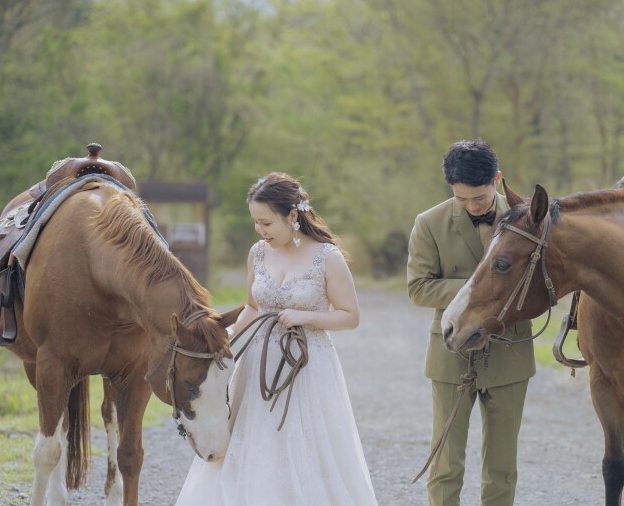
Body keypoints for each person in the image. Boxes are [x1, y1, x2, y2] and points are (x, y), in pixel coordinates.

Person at [176, 172, 378, 506]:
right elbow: (253, 308)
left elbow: (350, 316)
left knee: (305, 446)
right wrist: (224, 342)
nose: (260, 231)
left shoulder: (328, 257)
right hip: (257, 364)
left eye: (266, 223)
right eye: (256, 222)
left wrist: (307, 316)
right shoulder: (257, 253)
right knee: (253, 441)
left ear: (292, 215)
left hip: (308, 366)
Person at [407, 140, 535, 506]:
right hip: (451, 354)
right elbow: (418, 288)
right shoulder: (428, 223)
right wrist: (477, 289)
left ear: (497, 179)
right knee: (446, 464)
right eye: (461, 199)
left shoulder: (528, 216)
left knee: (502, 468)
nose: (470, 206)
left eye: (478, 198)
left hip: (511, 354)